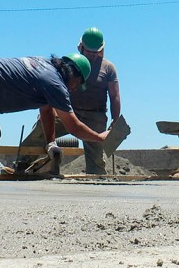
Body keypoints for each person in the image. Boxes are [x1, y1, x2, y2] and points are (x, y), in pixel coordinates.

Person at [20, 27, 124, 174]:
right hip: (68, 112)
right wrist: (50, 111)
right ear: (81, 47)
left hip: (95, 116)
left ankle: (97, 182)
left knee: (96, 157)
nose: (93, 56)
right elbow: (56, 88)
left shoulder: (108, 68)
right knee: (40, 132)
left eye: (96, 53)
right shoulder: (70, 64)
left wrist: (115, 119)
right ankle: (20, 166)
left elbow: (115, 96)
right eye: (89, 52)